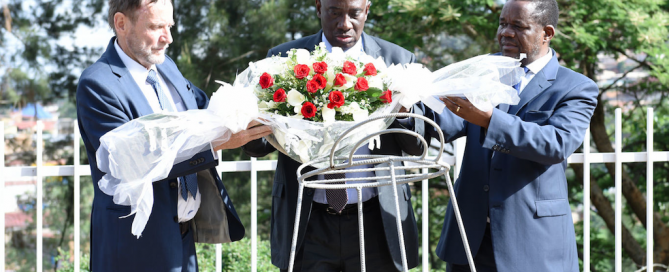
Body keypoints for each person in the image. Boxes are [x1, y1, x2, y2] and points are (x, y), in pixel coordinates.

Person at [76, 0, 271, 271]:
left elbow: (206, 111)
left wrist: (266, 110)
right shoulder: (98, 84)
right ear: (121, 23)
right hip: (135, 245)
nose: (168, 38)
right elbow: (133, 162)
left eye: (169, 25)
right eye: (156, 27)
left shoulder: (165, 66)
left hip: (182, 239)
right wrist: (217, 143)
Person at [243, 0, 428, 271]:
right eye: (334, 12)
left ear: (367, 9)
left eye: (354, 14)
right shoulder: (282, 60)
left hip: (378, 222)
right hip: (307, 222)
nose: (345, 24)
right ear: (318, 7)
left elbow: (416, 145)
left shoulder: (397, 61)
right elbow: (256, 147)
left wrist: (402, 110)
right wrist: (258, 118)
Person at [425, 0, 598, 271]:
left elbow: (556, 145)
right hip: (470, 240)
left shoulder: (576, 87)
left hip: (532, 245)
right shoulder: (484, 70)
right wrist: (407, 103)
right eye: (503, 23)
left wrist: (488, 119)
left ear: (547, 33)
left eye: (518, 26)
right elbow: (444, 121)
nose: (505, 32)